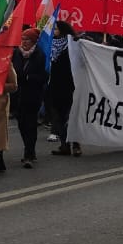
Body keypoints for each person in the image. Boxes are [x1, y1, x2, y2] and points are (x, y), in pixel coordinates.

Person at [11, 27, 49, 168]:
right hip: (18, 95)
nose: (24, 42)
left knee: (31, 125)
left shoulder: (40, 54)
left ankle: (29, 153)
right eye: (23, 39)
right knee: (21, 124)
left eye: (27, 39)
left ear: (33, 41)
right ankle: (29, 150)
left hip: (33, 95)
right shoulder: (16, 53)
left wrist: (28, 77)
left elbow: (44, 76)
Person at [47, 20, 80, 157]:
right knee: (58, 117)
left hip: (70, 85)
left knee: (71, 116)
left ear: (63, 30)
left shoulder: (73, 43)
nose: (53, 31)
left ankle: (76, 145)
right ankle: (64, 145)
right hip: (54, 85)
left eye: (55, 29)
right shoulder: (49, 44)